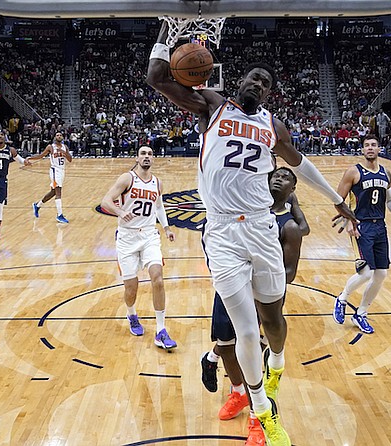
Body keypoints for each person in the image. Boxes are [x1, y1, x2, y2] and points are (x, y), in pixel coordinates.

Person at [147, 22, 356, 445]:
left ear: (268, 94)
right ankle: (263, 411)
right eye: (253, 78)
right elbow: (156, 77)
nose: (258, 84)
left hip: (263, 228)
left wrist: (336, 199)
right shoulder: (212, 105)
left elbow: (300, 165)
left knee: (273, 320)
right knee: (244, 330)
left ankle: (276, 363)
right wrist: (167, 31)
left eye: (266, 83)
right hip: (222, 232)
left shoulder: (273, 128)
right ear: (237, 80)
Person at [200, 167, 306, 446]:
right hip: (231, 278)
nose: (277, 180)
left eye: (285, 178)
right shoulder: (235, 207)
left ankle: (259, 420)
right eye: (274, 176)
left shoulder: (289, 225)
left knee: (254, 349)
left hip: (261, 294)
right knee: (226, 344)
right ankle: (236, 391)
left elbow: (288, 272)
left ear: (292, 190)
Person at [100, 145, 178, 350]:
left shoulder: (157, 182)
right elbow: (105, 201)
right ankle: (131, 314)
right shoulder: (127, 178)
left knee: (158, 279)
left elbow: (159, 207)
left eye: (150, 154)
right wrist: (119, 211)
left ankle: (161, 330)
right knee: (131, 288)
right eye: (143, 153)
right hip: (127, 238)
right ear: (137, 157)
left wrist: (167, 228)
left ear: (153, 159)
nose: (147, 157)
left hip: (150, 235)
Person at [332, 135, 391, 334]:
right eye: (367, 145)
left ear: (379, 149)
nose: (370, 148)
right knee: (366, 273)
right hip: (360, 226)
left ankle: (361, 313)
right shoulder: (353, 172)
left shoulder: (386, 173)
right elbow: (338, 200)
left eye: (373, 145)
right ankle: (342, 298)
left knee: (381, 274)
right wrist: (348, 219)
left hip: (380, 227)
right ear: (362, 150)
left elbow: (389, 200)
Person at [29, 132, 73, 224]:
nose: (59, 136)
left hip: (62, 171)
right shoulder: (51, 147)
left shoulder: (65, 147)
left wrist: (64, 153)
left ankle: (37, 205)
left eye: (60, 135)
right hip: (54, 171)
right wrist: (30, 158)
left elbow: (70, 159)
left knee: (53, 192)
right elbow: (41, 156)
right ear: (54, 137)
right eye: (57, 135)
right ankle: (59, 215)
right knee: (58, 192)